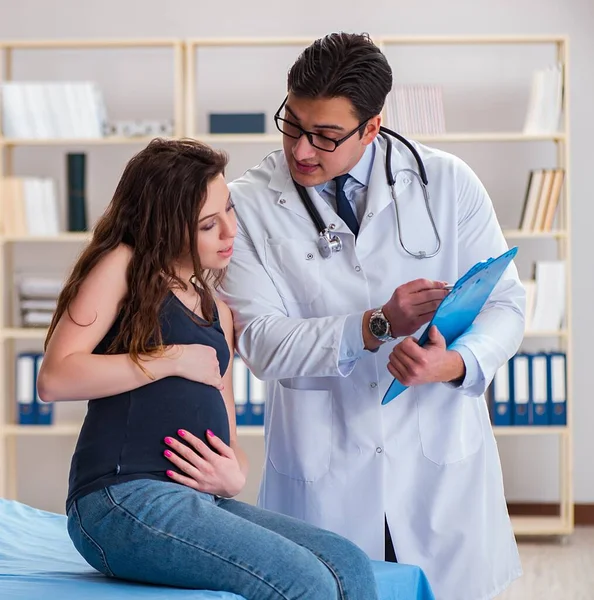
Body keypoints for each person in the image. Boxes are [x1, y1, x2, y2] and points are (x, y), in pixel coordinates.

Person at [215, 32, 525, 600]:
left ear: (372, 126)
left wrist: (455, 363)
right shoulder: (250, 203)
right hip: (323, 465)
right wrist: (374, 325)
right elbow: (258, 342)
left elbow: (506, 303)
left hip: (436, 462)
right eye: (292, 125)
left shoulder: (448, 183)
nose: (302, 150)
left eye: (326, 136)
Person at [37, 138, 379, 600]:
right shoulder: (124, 266)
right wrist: (168, 358)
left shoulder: (218, 310)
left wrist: (234, 474)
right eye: (206, 224)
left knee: (347, 564)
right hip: (120, 501)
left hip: (202, 498)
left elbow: (229, 439)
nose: (229, 232)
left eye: (230, 211)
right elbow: (55, 377)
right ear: (164, 226)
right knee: (305, 582)